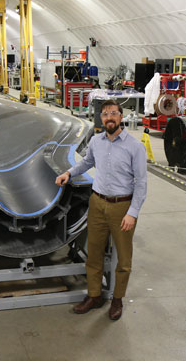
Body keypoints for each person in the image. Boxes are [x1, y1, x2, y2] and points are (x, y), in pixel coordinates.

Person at [55, 99, 147, 321]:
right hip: (97, 203)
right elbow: (86, 162)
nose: (109, 118)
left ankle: (117, 299)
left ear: (121, 116)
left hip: (121, 206)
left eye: (113, 113)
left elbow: (141, 183)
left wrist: (132, 213)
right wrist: (69, 173)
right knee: (94, 254)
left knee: (123, 259)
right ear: (101, 118)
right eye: (105, 114)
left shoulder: (135, 147)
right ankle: (94, 296)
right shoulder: (96, 141)